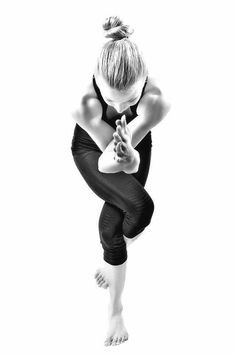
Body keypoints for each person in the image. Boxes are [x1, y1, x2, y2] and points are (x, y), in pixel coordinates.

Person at [71, 15, 170, 346]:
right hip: (92, 150)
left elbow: (131, 157)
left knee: (134, 216)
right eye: (111, 99)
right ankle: (115, 313)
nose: (119, 107)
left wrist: (133, 156)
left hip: (132, 146)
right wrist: (125, 158)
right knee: (130, 214)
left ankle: (113, 250)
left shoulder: (155, 102)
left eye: (130, 101)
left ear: (144, 81)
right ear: (97, 79)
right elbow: (105, 161)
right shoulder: (84, 107)